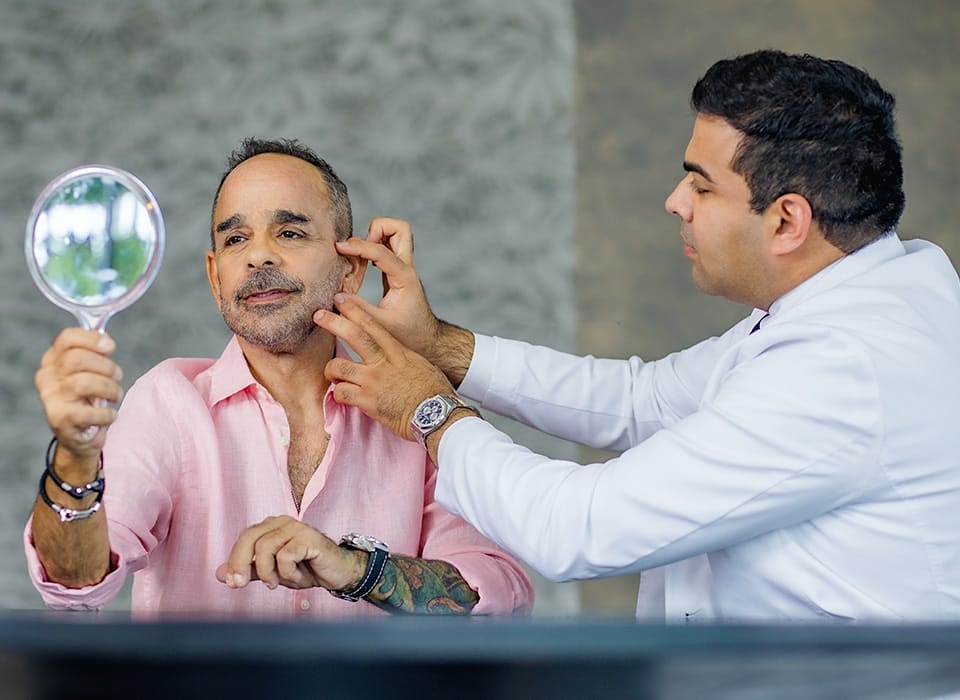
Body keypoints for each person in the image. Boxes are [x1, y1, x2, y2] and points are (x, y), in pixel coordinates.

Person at [313, 50, 960, 622]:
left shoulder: (845, 368)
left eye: (702, 186)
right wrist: (438, 344)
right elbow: (641, 399)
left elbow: (576, 529)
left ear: (788, 220)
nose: (676, 201)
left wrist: (429, 411)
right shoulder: (861, 297)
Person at [25, 138, 534, 618]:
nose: (258, 255)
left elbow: (495, 590)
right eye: (235, 238)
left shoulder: (421, 409)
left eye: (289, 233)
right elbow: (74, 582)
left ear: (351, 269)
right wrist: (73, 458)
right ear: (214, 273)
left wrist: (355, 568)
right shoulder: (167, 402)